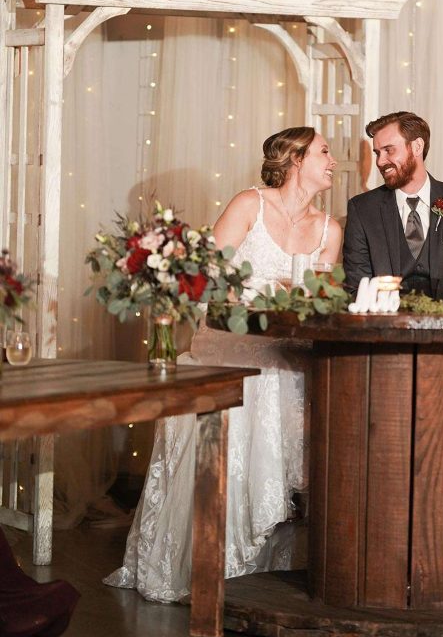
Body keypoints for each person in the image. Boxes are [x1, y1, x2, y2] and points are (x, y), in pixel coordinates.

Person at [105, 127, 341, 603]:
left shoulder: (329, 229)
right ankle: (214, 569)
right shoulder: (249, 205)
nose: (333, 160)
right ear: (296, 159)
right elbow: (207, 281)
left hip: (288, 353)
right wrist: (264, 295)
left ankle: (268, 576)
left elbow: (322, 301)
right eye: (324, 151)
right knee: (252, 388)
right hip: (229, 347)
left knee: (296, 384)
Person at [343, 111, 443, 300]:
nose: (380, 161)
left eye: (389, 150)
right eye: (377, 153)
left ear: (417, 146)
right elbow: (355, 289)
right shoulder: (362, 209)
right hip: (384, 318)